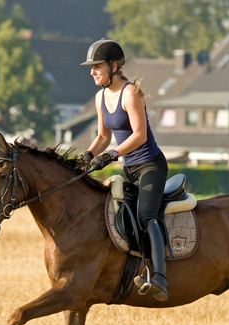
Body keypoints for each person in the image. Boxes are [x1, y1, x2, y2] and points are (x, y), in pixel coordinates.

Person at [81, 39, 169, 302]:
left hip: (151, 166)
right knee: (116, 215)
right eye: (92, 68)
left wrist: (112, 155)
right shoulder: (100, 97)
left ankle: (161, 279)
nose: (92, 72)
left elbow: (140, 135)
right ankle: (136, 269)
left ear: (113, 66)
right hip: (129, 169)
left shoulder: (130, 94)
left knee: (144, 216)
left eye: (96, 67)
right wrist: (87, 156)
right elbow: (103, 136)